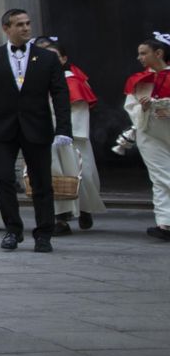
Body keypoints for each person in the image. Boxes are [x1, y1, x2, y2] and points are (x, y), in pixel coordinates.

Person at [0, 8, 71, 252]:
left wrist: (63, 128)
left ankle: (44, 233)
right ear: (6, 29)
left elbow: (60, 94)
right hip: (2, 129)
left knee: (42, 182)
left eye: (28, 23)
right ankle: (12, 230)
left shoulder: (47, 59)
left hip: (38, 127)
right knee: (3, 179)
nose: (26, 28)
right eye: (20, 24)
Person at [34, 37, 105, 233]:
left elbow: (79, 112)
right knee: (53, 176)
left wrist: (65, 132)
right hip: (45, 135)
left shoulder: (71, 80)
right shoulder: (39, 80)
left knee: (81, 176)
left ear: (64, 59)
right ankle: (60, 219)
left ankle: (84, 209)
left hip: (70, 137)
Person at [127, 33, 170, 241]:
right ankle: (165, 223)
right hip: (149, 132)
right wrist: (143, 108)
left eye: (143, 53)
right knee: (160, 177)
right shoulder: (139, 81)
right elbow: (130, 106)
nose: (139, 58)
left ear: (159, 53)